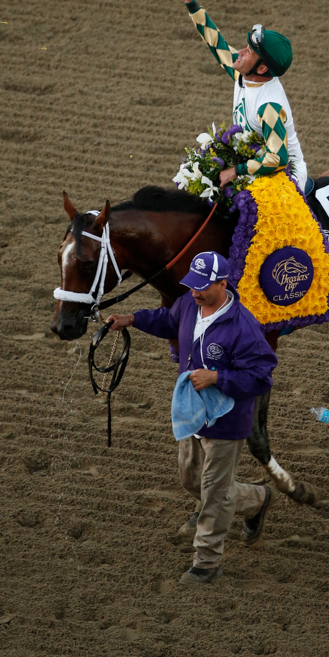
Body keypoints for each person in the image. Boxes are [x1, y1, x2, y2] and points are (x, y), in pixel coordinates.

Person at [108, 250, 277, 585]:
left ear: (223, 283)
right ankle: (258, 498)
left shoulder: (244, 327)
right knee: (191, 480)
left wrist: (218, 378)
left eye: (202, 287)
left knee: (214, 493)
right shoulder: (188, 304)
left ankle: (207, 563)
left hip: (227, 422)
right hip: (192, 412)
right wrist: (133, 319)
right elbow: (168, 321)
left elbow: (261, 376)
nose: (195, 292)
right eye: (192, 285)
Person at [175, 0, 308, 192]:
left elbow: (277, 158)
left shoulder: (269, 107)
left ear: (262, 68)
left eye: (250, 51)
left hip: (285, 178)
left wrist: (236, 171)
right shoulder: (245, 75)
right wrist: (191, 4)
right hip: (253, 162)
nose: (243, 51)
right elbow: (217, 45)